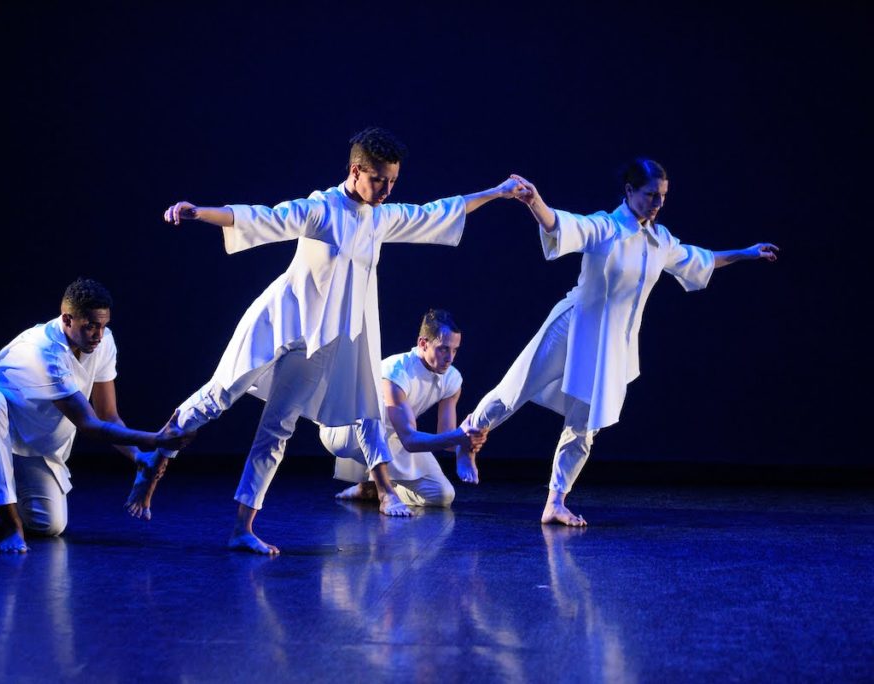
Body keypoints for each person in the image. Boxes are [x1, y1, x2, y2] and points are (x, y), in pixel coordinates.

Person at [149, 127, 527, 554]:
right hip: (280, 323)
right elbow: (263, 217)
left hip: (321, 344)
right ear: (355, 170)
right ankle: (157, 451)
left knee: (277, 429)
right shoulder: (321, 208)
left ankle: (242, 528)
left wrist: (497, 192)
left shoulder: (380, 218)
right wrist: (200, 212)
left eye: (393, 182)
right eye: (379, 179)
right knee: (219, 395)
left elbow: (439, 211)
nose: (386, 190)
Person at [462, 160, 778, 526]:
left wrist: (746, 253)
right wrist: (535, 202)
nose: (657, 203)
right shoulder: (606, 227)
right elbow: (563, 225)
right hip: (574, 326)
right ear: (629, 192)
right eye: (650, 195)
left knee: (584, 426)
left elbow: (700, 259)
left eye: (662, 196)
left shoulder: (661, 242)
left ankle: (555, 502)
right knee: (514, 389)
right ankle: (467, 436)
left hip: (611, 348)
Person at [0, 278, 195, 553]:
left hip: (30, 431)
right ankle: (10, 526)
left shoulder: (104, 342)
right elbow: (89, 424)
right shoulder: (43, 350)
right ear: (67, 319)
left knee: (49, 525)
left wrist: (138, 457)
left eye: (103, 325)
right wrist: (156, 439)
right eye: (90, 326)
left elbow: (108, 415)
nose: (98, 335)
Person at [320, 309, 486, 507]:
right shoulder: (396, 372)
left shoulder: (452, 379)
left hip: (392, 438)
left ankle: (370, 489)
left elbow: (447, 439)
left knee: (442, 495)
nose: (450, 358)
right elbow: (409, 439)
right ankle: (385, 494)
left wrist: (468, 442)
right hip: (345, 430)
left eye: (455, 350)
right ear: (423, 344)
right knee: (372, 410)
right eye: (443, 349)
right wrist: (457, 436)